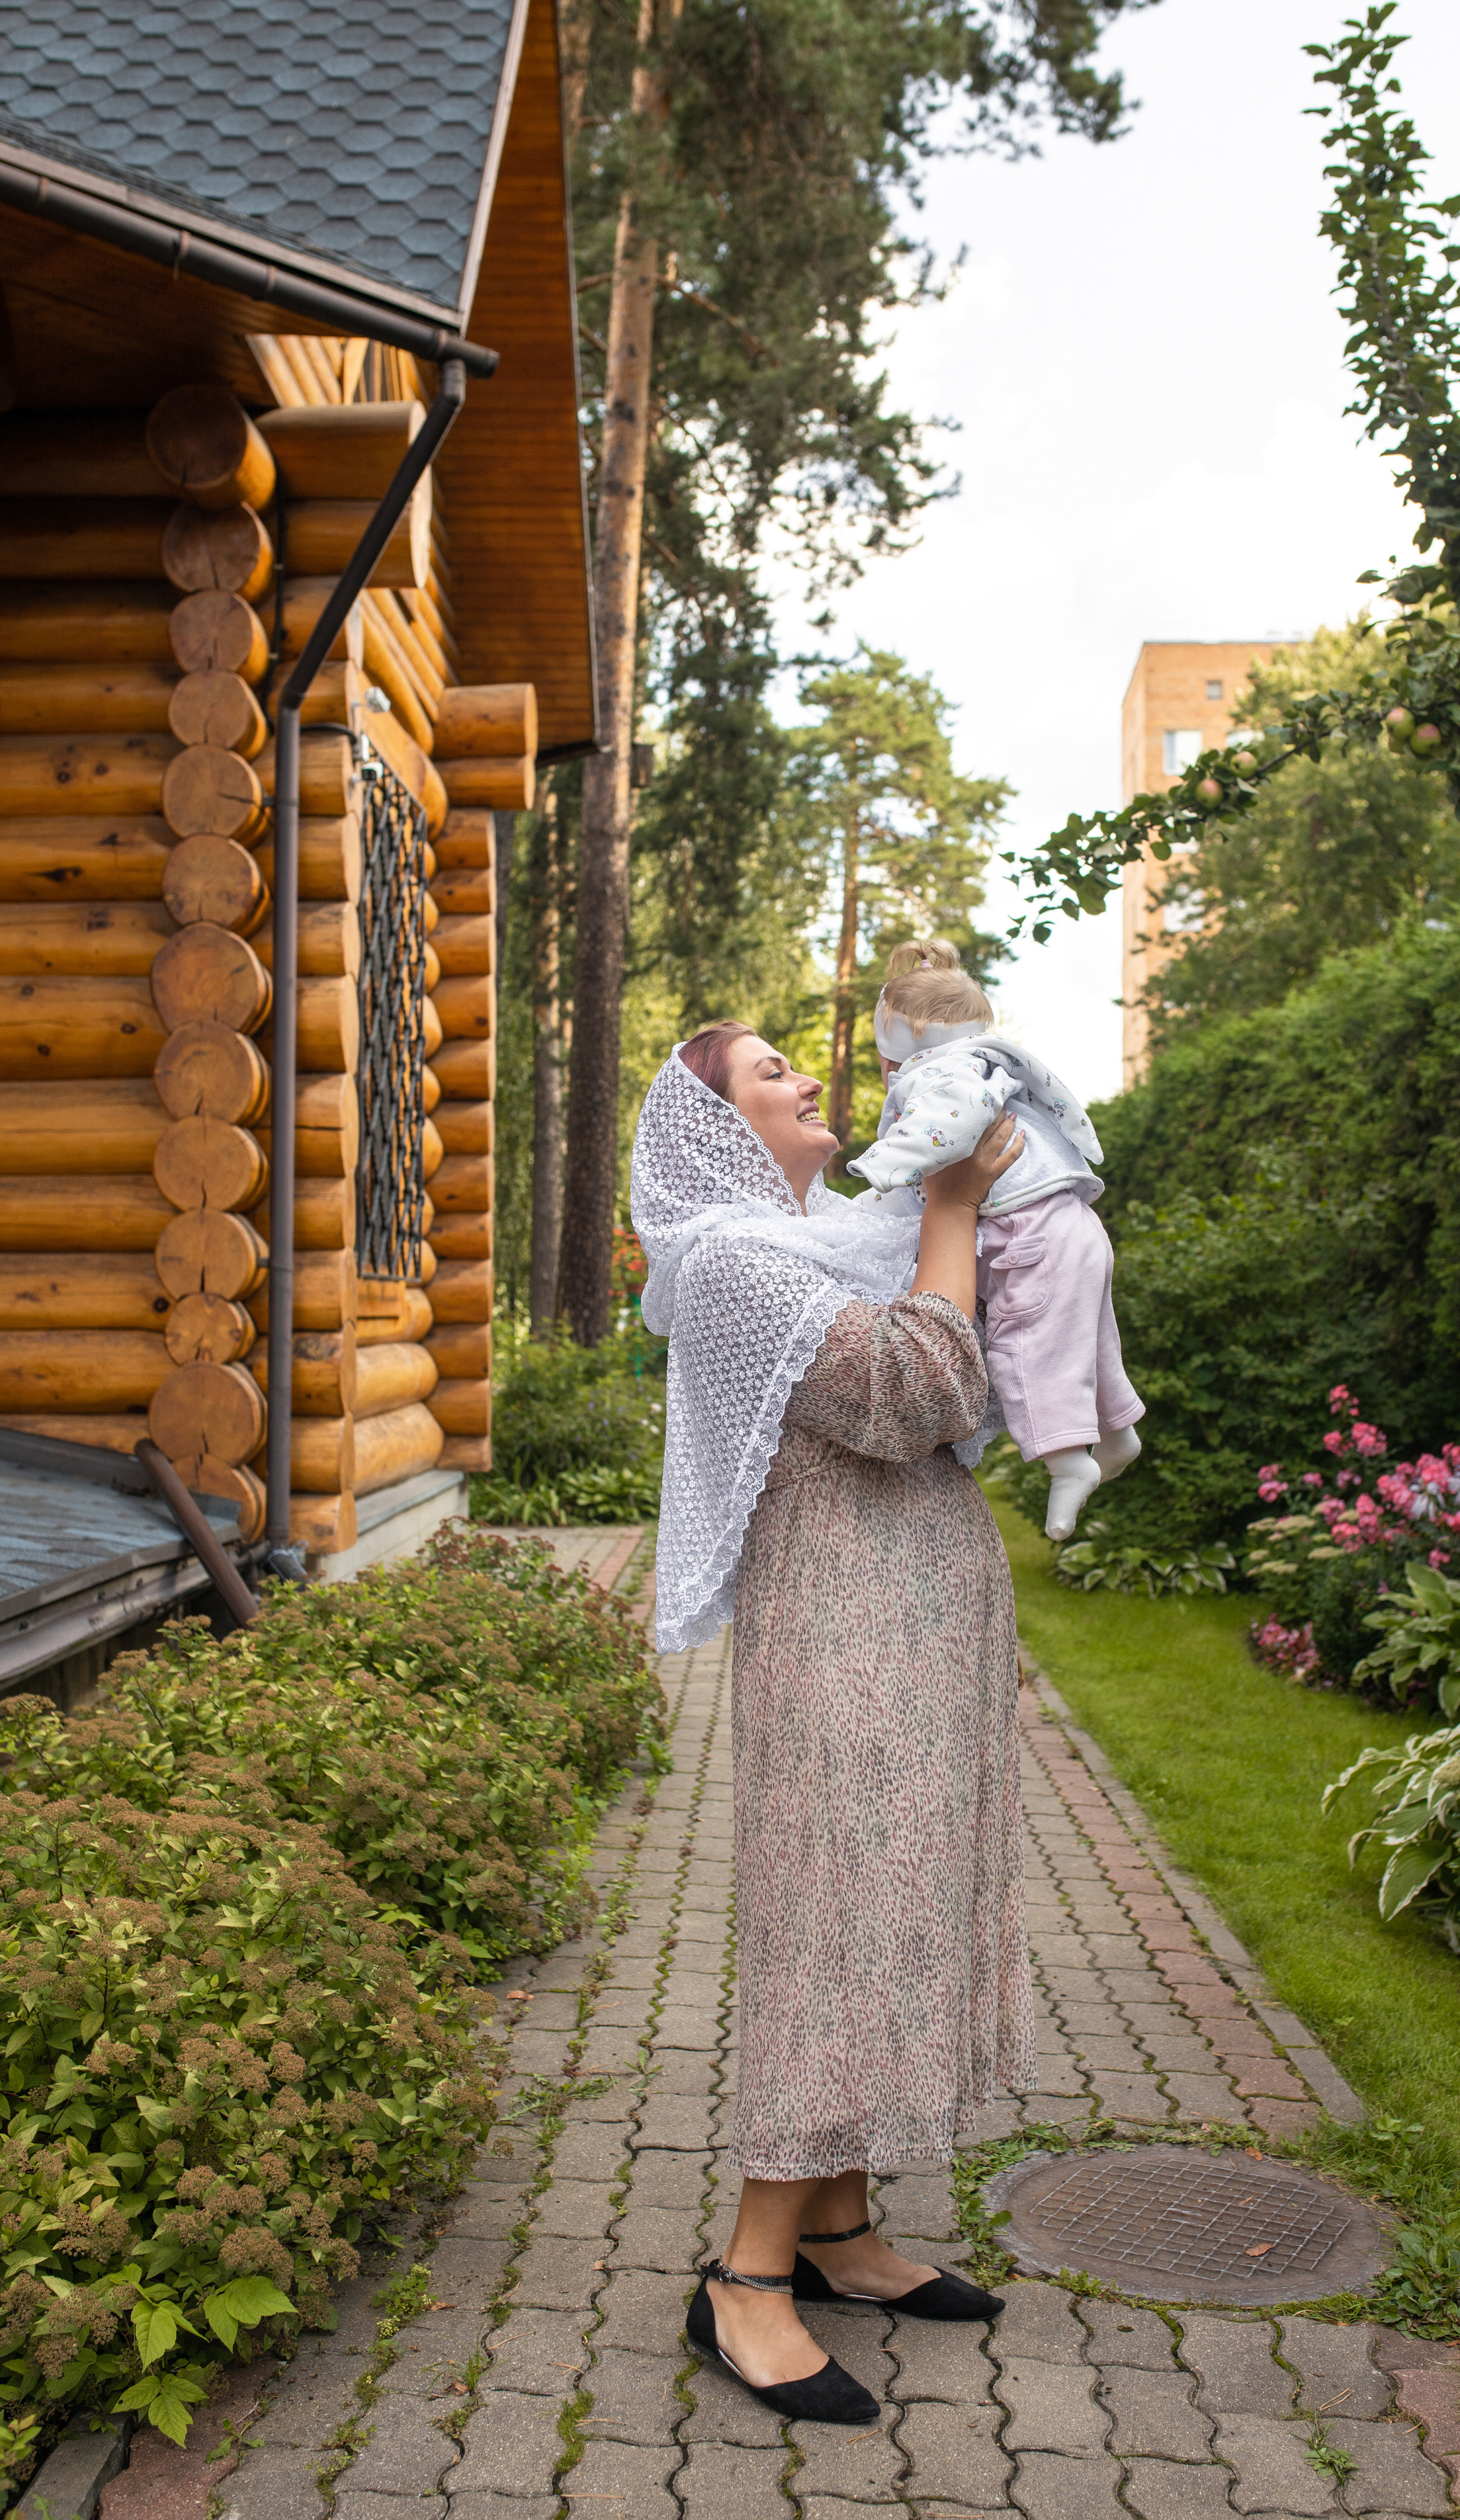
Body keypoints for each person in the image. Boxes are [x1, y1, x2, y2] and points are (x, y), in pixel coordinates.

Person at [630, 1021, 1038, 2426]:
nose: (807, 1082)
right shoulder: (734, 1263)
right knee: (841, 1918)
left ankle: (834, 2228)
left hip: (914, 1622)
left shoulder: (811, 1248)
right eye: (768, 1074)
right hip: (847, 1630)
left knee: (904, 1903)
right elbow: (914, 1391)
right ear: (713, 1130)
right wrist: (949, 1208)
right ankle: (743, 2279)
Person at [849, 937, 1144, 1540]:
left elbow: (944, 1128)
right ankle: (1119, 1432)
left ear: (896, 1049)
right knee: (1084, 1339)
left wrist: (884, 1163)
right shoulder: (990, 1062)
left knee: (1030, 1345)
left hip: (1028, 1234)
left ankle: (1068, 1466)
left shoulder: (936, 1078)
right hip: (1073, 1227)